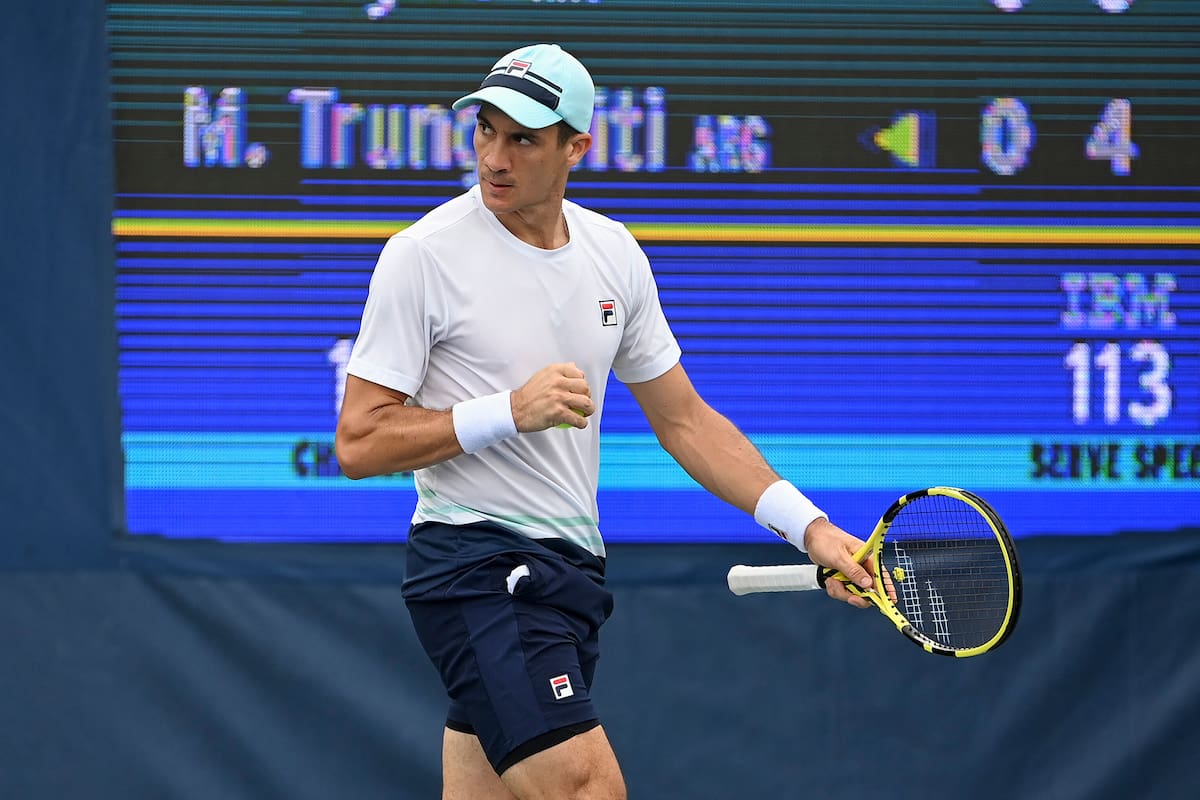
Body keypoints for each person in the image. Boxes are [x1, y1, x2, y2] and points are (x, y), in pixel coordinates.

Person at [336, 42, 877, 800]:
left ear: (575, 147)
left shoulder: (614, 255)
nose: (495, 156)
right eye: (485, 130)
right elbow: (359, 442)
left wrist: (812, 528)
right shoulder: (421, 256)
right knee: (589, 788)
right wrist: (507, 412)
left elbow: (685, 421)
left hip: (571, 575)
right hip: (478, 568)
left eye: (522, 137)